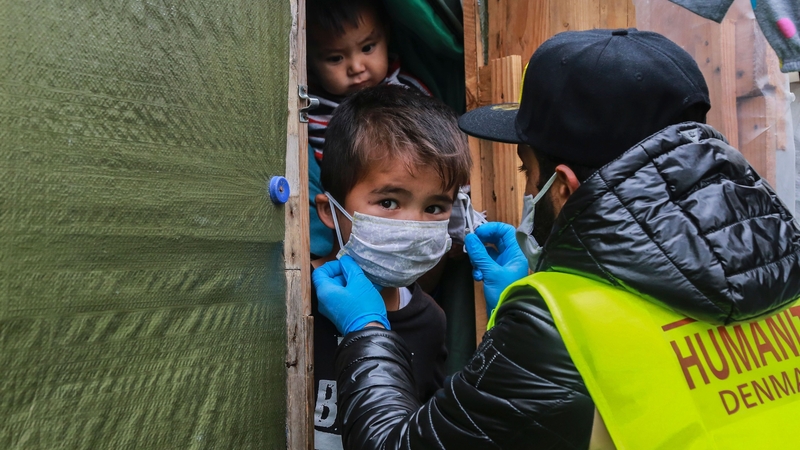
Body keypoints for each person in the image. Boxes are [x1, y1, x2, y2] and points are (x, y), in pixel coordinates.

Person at [312, 28, 800, 449]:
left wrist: (366, 332)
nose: (526, 188)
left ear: (562, 188)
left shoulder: (560, 326)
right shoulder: (783, 283)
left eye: (527, 170)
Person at [310, 84, 471, 450]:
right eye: (388, 201)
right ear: (329, 211)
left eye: (434, 208)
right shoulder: (290, 296)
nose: (413, 224)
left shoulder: (430, 321)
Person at [306, 0, 431, 258]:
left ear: (386, 35)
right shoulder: (309, 110)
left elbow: (441, 154)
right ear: (309, 61)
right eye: (335, 58)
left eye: (367, 48)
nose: (356, 67)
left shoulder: (410, 95)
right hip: (343, 229)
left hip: (407, 217)